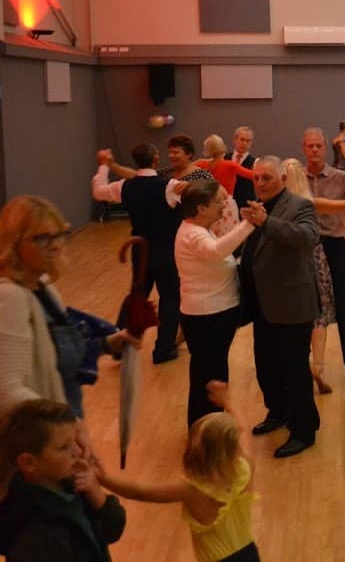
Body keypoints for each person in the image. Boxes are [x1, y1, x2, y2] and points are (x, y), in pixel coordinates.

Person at [0, 196, 137, 420]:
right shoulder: (9, 297)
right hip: (37, 439)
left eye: (58, 235)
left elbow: (56, 355)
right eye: (42, 238)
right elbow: (7, 392)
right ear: (14, 244)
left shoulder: (44, 288)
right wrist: (66, 426)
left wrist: (108, 343)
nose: (55, 245)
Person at [98, 381, 258, 562]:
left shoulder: (193, 489)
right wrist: (228, 400)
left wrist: (102, 478)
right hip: (249, 554)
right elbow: (243, 430)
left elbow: (141, 492)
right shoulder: (245, 466)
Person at [238, 156, 321, 459]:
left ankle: (304, 429)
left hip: (291, 305)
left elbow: (307, 238)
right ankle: (278, 412)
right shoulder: (254, 207)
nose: (259, 183)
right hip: (263, 304)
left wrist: (266, 222)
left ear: (283, 178)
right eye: (256, 178)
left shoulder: (300, 206)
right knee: (267, 365)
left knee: (295, 370)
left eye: (267, 178)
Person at [281, 157, 345, 392]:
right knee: (320, 315)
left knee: (306, 315)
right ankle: (318, 366)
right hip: (316, 258)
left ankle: (317, 369)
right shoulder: (309, 203)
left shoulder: (281, 205)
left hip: (299, 261)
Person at [92, 143, 187, 364]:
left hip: (140, 250)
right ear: (155, 159)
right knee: (170, 298)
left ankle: (119, 344)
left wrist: (104, 166)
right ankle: (164, 349)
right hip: (167, 250)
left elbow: (98, 191)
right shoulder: (171, 186)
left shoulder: (125, 186)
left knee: (137, 295)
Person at [0, 399, 126, 562]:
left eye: (74, 441)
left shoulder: (72, 486)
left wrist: (98, 498)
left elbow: (112, 531)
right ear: (28, 463)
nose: (77, 451)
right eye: (64, 447)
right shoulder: (36, 538)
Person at [175, 180, 255, 427]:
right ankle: (207, 430)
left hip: (210, 313)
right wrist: (249, 224)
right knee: (209, 376)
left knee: (210, 372)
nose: (223, 206)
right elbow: (217, 251)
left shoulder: (197, 229)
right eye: (218, 202)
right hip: (207, 316)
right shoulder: (193, 234)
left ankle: (212, 427)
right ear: (201, 208)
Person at [302, 128, 345, 389]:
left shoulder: (340, 177)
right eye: (310, 146)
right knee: (306, 307)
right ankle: (305, 367)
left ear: (324, 148)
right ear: (304, 148)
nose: (315, 150)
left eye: (318, 145)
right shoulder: (295, 178)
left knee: (341, 304)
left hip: (333, 246)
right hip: (305, 247)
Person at [224, 127, 257, 210]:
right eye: (242, 140)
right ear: (235, 140)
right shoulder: (224, 158)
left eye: (248, 141)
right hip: (225, 204)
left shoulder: (255, 162)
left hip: (244, 206)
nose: (245, 143)